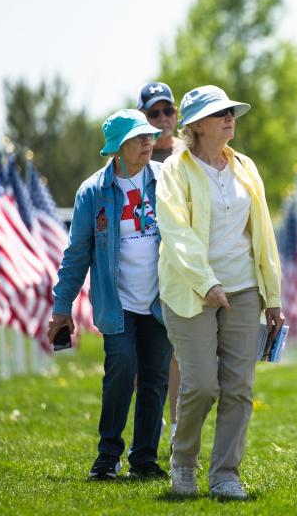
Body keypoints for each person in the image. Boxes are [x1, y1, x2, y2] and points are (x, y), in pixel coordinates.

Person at [156, 85, 285, 500]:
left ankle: (226, 474)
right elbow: (175, 233)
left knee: (240, 388)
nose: (229, 118)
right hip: (190, 290)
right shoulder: (175, 170)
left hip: (244, 288)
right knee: (201, 386)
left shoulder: (245, 166)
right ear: (195, 125)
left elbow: (263, 234)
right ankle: (183, 462)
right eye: (219, 114)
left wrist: (273, 296)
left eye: (231, 111)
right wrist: (206, 282)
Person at [47, 109, 173, 481]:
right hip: (116, 304)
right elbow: (77, 254)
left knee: (155, 378)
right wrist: (61, 306)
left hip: (160, 301)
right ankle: (108, 455)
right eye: (139, 138)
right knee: (121, 368)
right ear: (118, 148)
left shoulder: (166, 180)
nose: (148, 142)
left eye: (150, 136)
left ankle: (145, 459)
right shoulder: (93, 192)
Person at [138, 81, 185, 440]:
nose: (163, 118)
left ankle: (177, 431)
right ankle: (149, 430)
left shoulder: (189, 153)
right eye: (154, 112)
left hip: (183, 261)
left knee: (180, 352)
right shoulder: (134, 158)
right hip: (145, 264)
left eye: (168, 110)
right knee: (147, 355)